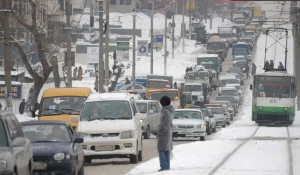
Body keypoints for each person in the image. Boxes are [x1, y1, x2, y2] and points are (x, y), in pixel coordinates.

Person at [157, 96, 174, 172]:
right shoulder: (169, 110)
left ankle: (164, 166)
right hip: (167, 134)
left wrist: (160, 131)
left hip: (164, 135)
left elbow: (165, 124)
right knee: (166, 150)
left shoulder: (165, 111)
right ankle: (166, 166)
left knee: (162, 150)